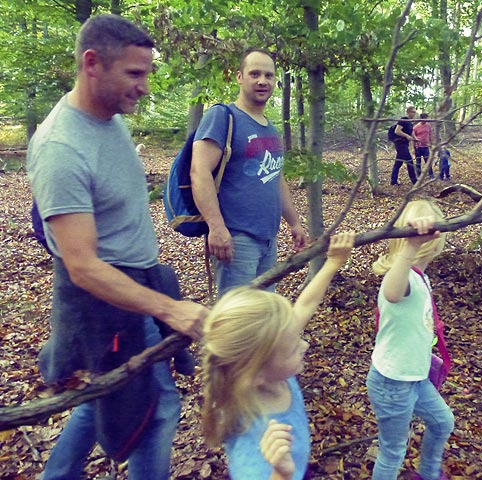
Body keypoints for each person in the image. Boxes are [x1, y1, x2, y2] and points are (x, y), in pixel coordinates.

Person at [26, 14, 208, 480]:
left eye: (146, 73)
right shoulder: (61, 147)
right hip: (105, 301)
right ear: (92, 64)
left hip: (138, 281)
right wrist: (168, 309)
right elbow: (82, 266)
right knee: (156, 406)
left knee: (107, 397)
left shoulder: (110, 120)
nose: (144, 86)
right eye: (134, 73)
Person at [201, 232, 355, 480]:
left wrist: (333, 263)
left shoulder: (270, 370)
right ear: (257, 372)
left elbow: (304, 305)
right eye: (294, 348)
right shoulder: (254, 438)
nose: (304, 345)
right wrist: (281, 473)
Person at [191, 48, 307, 295]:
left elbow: (276, 178)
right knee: (235, 322)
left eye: (269, 75)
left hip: (268, 240)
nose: (262, 81)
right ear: (239, 77)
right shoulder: (222, 116)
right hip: (236, 240)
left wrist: (294, 222)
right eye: (254, 73)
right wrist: (217, 227)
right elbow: (198, 172)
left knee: (260, 317)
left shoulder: (270, 128)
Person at [367, 200, 454, 480]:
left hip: (415, 378)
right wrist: (412, 246)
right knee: (393, 451)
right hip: (393, 383)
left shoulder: (420, 277)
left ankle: (428, 473)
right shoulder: (403, 279)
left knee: (442, 422)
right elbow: (392, 293)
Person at [390, 106, 418, 185]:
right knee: (410, 162)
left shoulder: (409, 122)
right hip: (400, 144)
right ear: (408, 112)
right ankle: (414, 181)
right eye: (413, 112)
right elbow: (397, 131)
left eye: (414, 112)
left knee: (398, 163)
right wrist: (406, 136)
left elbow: (411, 132)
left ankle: (393, 181)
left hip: (405, 145)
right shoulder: (403, 120)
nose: (414, 114)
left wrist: (415, 138)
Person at [413, 113, 433, 178]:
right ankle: (419, 176)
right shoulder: (416, 127)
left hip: (426, 147)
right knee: (418, 163)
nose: (426, 120)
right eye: (425, 118)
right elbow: (413, 138)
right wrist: (413, 148)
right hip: (418, 147)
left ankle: (431, 175)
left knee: (428, 162)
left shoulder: (428, 126)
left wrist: (431, 143)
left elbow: (430, 135)